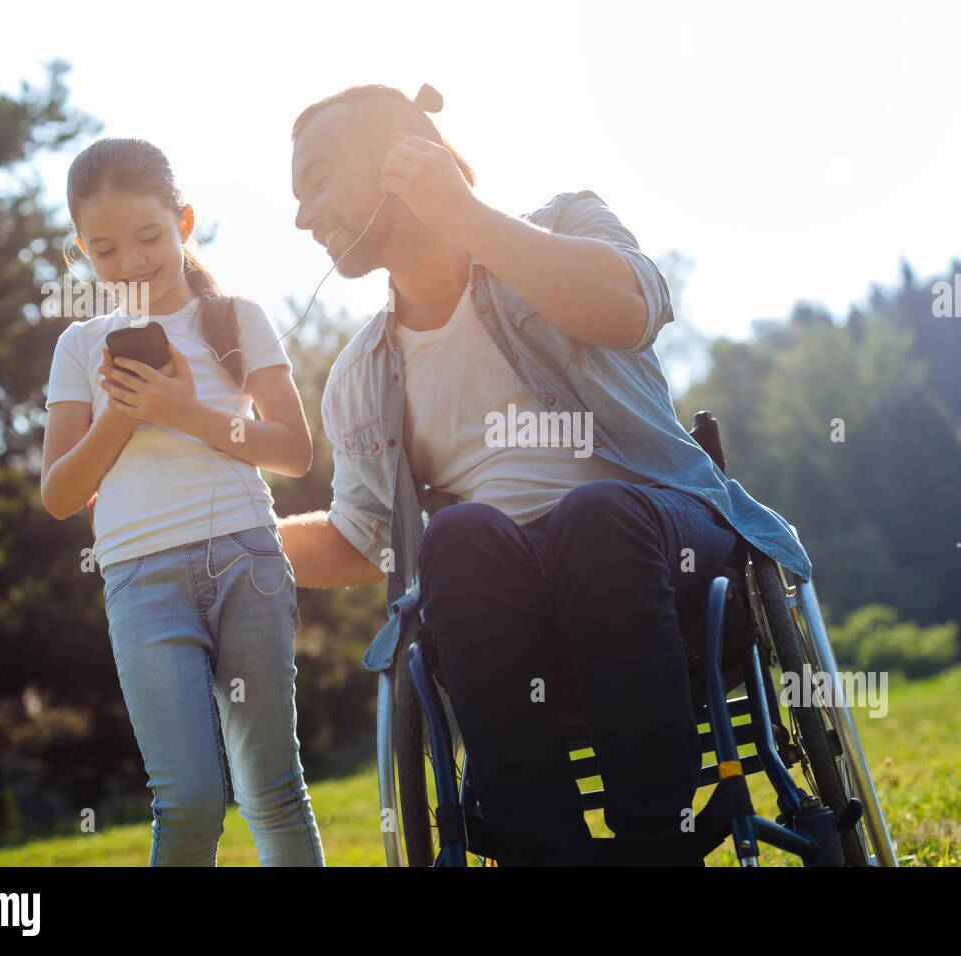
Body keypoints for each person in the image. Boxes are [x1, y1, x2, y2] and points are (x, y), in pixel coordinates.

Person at [277, 85, 812, 866]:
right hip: (511, 617)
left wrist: (463, 215)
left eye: (318, 181)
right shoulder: (361, 375)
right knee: (452, 537)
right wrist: (225, 529)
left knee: (594, 517)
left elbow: (629, 308)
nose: (302, 216)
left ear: (399, 154)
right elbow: (366, 542)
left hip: (672, 560)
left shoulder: (565, 223)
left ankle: (655, 850)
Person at [40, 138, 323, 866]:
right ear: (81, 251)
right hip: (140, 582)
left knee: (273, 790)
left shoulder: (235, 319)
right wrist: (122, 415)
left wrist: (187, 411)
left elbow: (294, 449)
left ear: (184, 223)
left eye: (147, 238)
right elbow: (61, 494)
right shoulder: (79, 348)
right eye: (104, 250)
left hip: (248, 562)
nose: (130, 264)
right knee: (189, 801)